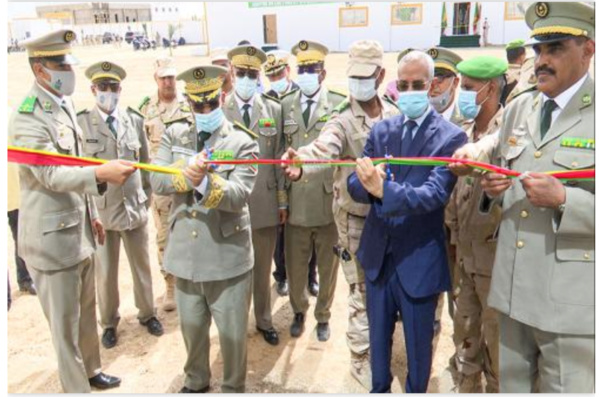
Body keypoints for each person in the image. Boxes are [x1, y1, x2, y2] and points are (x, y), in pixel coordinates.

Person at [10, 29, 135, 392]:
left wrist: (93, 212)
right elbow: (49, 172)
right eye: (59, 64)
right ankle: (76, 387)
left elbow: (74, 164)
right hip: (51, 242)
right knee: (64, 327)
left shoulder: (62, 104)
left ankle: (92, 371)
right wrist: (100, 173)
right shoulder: (28, 116)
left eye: (68, 62)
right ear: (39, 70)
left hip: (78, 231)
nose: (68, 69)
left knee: (85, 315)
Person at [480, 2, 595, 392]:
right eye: (538, 50)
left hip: (570, 302)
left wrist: (566, 198)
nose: (542, 60)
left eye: (556, 48)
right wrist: (493, 190)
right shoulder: (519, 109)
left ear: (588, 50)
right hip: (513, 292)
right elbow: (501, 176)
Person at [347, 50, 467, 393]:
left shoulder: (450, 137)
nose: (410, 90)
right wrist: (368, 185)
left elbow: (433, 196)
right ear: (395, 85)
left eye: (418, 84)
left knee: (418, 352)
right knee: (378, 349)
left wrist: (383, 189)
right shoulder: (382, 130)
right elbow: (356, 184)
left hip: (418, 261)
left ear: (430, 86)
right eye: (404, 84)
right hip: (379, 260)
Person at [282, 39, 399, 390]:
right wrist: (301, 162)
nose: (358, 84)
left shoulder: (394, 114)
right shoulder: (343, 120)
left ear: (380, 75)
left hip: (393, 218)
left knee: (387, 291)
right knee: (361, 295)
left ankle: (383, 352)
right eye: (353, 77)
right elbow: (323, 147)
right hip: (356, 222)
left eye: (365, 76)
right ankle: (361, 364)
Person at [150, 65, 259, 393]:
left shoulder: (242, 141)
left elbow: (239, 194)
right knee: (193, 332)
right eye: (198, 105)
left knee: (232, 337)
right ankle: (196, 382)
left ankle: (232, 388)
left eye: (211, 103)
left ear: (221, 96)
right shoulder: (174, 134)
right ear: (188, 103)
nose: (206, 111)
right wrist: (186, 174)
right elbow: (156, 178)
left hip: (227, 260)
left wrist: (203, 183)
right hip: (186, 257)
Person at [78, 61, 163, 349]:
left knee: (142, 266)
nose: (108, 92)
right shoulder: (81, 124)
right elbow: (80, 175)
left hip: (135, 208)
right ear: (93, 89)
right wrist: (89, 213)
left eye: (113, 87)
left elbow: (146, 166)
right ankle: (109, 322)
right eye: (103, 87)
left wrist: (146, 196)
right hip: (102, 212)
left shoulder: (134, 120)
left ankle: (148, 313)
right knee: (106, 272)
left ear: (120, 89)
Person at [445, 55, 507, 393]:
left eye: (468, 89)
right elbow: (456, 198)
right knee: (464, 330)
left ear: (491, 88)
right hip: (465, 256)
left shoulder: (510, 133)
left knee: (496, 342)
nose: (463, 96)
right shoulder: (464, 133)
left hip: (496, 262)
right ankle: (466, 383)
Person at [280, 40, 346, 341]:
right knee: (295, 267)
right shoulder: (285, 104)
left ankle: (323, 315)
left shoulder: (337, 104)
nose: (306, 73)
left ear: (322, 73)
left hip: (326, 203)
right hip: (296, 203)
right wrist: (282, 200)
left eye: (312, 69)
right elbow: (281, 153)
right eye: (302, 68)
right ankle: (298, 310)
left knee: (328, 267)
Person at [222, 44, 286, 346]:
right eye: (242, 73)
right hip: (229, 206)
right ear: (232, 74)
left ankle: (263, 319)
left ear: (259, 75)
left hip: (264, 204)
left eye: (252, 74)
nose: (247, 79)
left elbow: (280, 159)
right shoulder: (219, 111)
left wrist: (282, 202)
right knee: (232, 270)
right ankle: (233, 324)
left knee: (262, 268)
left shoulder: (272, 109)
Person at [263, 49, 319, 298]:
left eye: (279, 72)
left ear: (288, 71)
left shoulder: (302, 94)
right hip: (281, 177)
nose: (276, 77)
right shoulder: (266, 101)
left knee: (311, 229)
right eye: (271, 74)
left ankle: (311, 276)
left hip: (306, 174)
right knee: (280, 232)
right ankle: (281, 275)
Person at [139, 56, 191, 312]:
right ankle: (170, 284)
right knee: (164, 237)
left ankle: (190, 282)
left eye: (171, 77)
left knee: (191, 231)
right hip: (161, 185)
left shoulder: (190, 105)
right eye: (164, 78)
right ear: (156, 79)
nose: (168, 82)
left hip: (188, 181)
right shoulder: (146, 110)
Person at [426, 47, 464, 127]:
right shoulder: (414, 120)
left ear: (455, 82)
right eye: (428, 78)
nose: (433, 84)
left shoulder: (467, 123)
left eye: (439, 78)